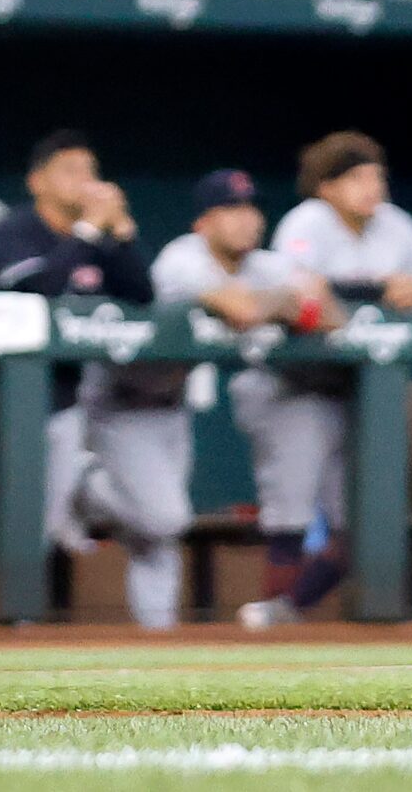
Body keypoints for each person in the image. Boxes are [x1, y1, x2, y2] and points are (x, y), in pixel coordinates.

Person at [0, 132, 156, 614]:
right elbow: (37, 288)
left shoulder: (97, 237)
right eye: (71, 170)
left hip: (62, 403)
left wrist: (120, 235)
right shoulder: (12, 231)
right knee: (8, 534)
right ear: (37, 181)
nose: (86, 181)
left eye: (91, 170)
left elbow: (142, 294)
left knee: (34, 538)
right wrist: (87, 235)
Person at [240, 131, 412, 628]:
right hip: (298, 385)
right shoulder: (305, 222)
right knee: (291, 505)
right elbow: (300, 290)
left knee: (368, 513)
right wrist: (382, 286)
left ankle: (289, 609)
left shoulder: (395, 224)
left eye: (377, 176)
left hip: (361, 390)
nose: (371, 187)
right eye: (357, 177)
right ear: (327, 186)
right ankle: (269, 620)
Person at [139, 172, 338, 629]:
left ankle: (278, 614)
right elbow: (243, 310)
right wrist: (290, 303)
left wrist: (284, 301)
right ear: (203, 223)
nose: (248, 220)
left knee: (164, 517)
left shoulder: (266, 265)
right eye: (232, 209)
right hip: (127, 393)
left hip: (172, 400)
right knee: (157, 516)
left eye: (252, 208)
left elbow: (331, 313)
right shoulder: (181, 258)